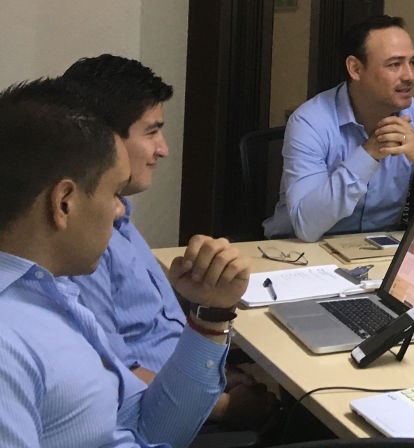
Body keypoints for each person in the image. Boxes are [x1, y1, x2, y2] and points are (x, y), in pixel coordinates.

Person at [0, 77, 250, 446]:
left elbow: (151, 429)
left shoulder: (53, 291)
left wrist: (209, 317)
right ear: (64, 202)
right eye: (115, 193)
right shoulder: (9, 344)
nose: (120, 210)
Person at [62, 54, 277, 428]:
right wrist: (225, 406)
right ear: (103, 139)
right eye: (151, 132)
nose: (163, 149)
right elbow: (119, 379)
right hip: (170, 416)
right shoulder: (82, 245)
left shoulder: (119, 213)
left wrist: (213, 367)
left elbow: (160, 333)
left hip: (191, 380)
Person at [262, 15, 414, 242]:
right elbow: (306, 226)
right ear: (356, 69)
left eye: (413, 63)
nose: (410, 76)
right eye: (394, 65)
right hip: (297, 250)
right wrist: (368, 155)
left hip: (378, 248)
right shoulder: (310, 121)